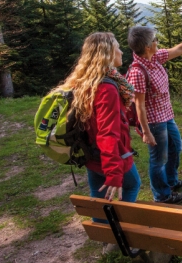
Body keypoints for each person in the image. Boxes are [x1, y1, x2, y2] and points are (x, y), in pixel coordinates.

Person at [127, 26, 182, 204]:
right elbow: (140, 106)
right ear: (147, 46)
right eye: (155, 40)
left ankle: (171, 181)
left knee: (176, 147)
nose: (157, 42)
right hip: (153, 122)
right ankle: (162, 195)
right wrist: (146, 131)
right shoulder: (138, 72)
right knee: (158, 159)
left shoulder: (155, 58)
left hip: (166, 115)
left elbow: (179, 49)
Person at [55, 32, 141, 209]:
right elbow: (107, 133)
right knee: (132, 185)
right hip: (111, 157)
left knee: (99, 198)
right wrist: (113, 173)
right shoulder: (106, 88)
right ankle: (123, 231)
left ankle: (104, 234)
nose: (122, 52)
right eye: (118, 48)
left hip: (91, 154)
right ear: (108, 53)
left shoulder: (84, 82)